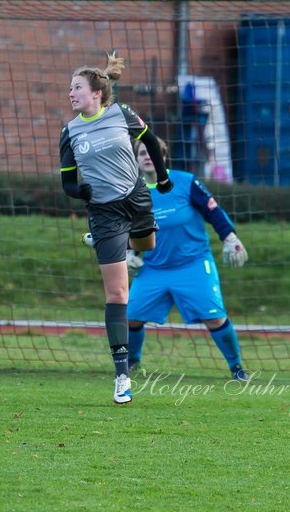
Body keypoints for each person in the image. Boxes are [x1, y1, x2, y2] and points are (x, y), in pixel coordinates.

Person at [60, 52, 170, 406]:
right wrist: (81, 192)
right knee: (118, 295)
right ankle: (122, 375)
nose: (71, 93)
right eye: (70, 88)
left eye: (76, 87)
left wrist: (163, 179)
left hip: (136, 198)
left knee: (148, 246)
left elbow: (151, 142)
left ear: (96, 94)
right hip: (104, 212)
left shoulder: (121, 115)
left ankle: (121, 248)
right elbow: (67, 184)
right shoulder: (70, 131)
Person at [118, 137, 251, 381]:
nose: (148, 157)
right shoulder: (132, 193)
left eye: (154, 153)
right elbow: (130, 231)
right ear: (135, 160)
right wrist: (128, 254)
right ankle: (133, 362)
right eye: (142, 153)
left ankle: (237, 368)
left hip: (193, 265)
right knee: (132, 316)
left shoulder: (185, 182)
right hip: (155, 268)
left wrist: (230, 238)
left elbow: (214, 212)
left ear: (163, 157)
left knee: (215, 317)